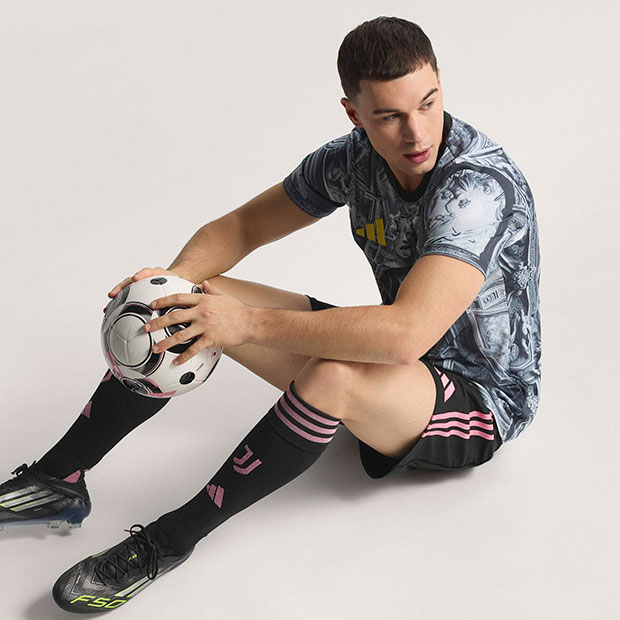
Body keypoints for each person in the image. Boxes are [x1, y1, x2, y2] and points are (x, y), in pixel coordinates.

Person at [0, 16, 541, 614]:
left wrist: (248, 324)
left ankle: (168, 541)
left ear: (440, 83)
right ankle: (59, 479)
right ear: (354, 114)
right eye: (389, 116)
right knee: (195, 296)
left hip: (477, 402)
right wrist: (170, 284)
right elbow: (240, 227)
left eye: (428, 103)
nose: (416, 132)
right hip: (398, 362)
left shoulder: (476, 189)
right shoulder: (351, 160)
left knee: (332, 376)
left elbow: (406, 335)